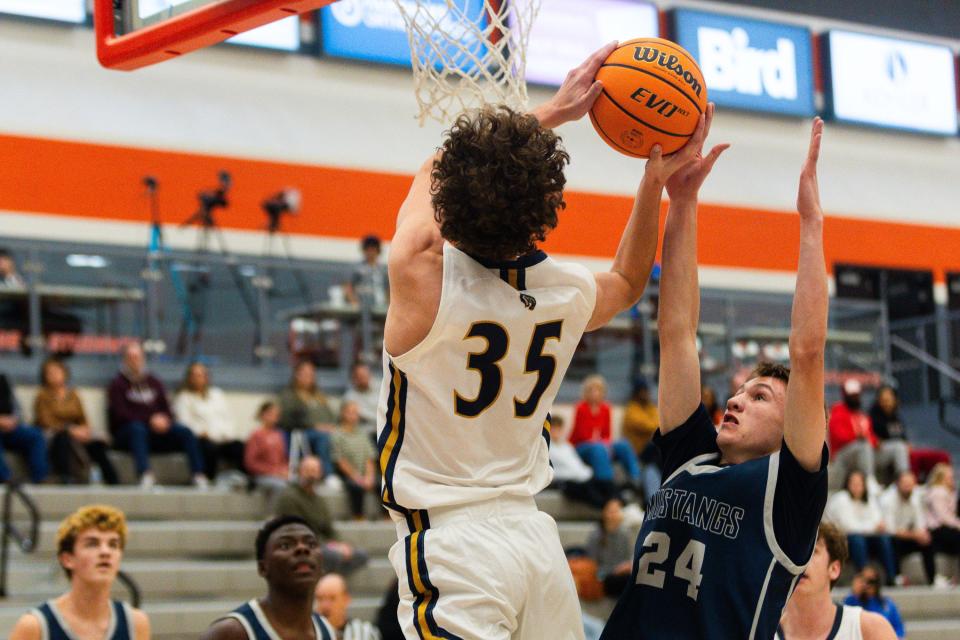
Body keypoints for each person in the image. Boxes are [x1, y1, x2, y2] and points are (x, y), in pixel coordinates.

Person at [379, 42, 703, 640]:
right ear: (546, 213)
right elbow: (630, 281)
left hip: (452, 546)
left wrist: (552, 111)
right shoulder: (566, 289)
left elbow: (433, 168)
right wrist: (652, 181)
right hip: (535, 542)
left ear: (450, 209)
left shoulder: (422, 273)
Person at [602, 118, 829, 639]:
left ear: (795, 423)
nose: (736, 399)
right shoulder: (691, 457)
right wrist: (682, 203)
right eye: (742, 389)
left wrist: (810, 223)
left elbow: (808, 351)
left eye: (760, 395)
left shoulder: (786, 493)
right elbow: (677, 331)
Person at [9, 504, 151, 640]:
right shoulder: (35, 626)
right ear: (67, 559)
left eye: (113, 544)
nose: (105, 552)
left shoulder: (136, 623)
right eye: (92, 544)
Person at [201, 515, 336, 640]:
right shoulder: (230, 632)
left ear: (322, 566)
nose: (302, 548)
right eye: (285, 545)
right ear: (263, 568)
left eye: (311, 544)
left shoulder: (328, 632)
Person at [107, 342, 206, 488]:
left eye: (138, 357)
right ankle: (145, 474)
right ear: (124, 360)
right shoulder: (117, 384)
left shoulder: (154, 382)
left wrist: (164, 420)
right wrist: (149, 420)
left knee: (185, 431)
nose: (135, 361)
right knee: (137, 428)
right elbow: (120, 415)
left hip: (156, 432)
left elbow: (167, 409)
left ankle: (198, 474)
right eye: (131, 357)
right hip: (128, 433)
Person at [776, 521, 897, 640]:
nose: (799, 561)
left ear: (834, 569)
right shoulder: (761, 631)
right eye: (791, 552)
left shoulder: (871, 629)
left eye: (812, 551)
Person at [274, 456, 369, 575]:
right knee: (333, 556)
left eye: (314, 470)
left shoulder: (318, 499)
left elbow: (329, 529)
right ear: (299, 471)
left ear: (320, 473)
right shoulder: (289, 497)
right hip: (299, 545)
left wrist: (342, 544)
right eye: (307, 470)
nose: (311, 474)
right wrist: (330, 545)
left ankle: (330, 583)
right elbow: (296, 532)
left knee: (361, 554)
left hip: (321, 544)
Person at [34, 357, 118, 484]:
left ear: (64, 373)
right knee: (63, 438)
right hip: (54, 434)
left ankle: (113, 481)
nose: (54, 376)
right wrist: (69, 429)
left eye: (57, 372)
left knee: (97, 445)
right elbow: (46, 421)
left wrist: (84, 430)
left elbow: (82, 418)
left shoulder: (73, 395)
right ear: (44, 377)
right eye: (50, 373)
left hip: (76, 433)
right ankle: (66, 477)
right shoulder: (42, 395)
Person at [174, 361, 245, 480]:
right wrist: (201, 433)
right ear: (189, 378)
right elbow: (184, 423)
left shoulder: (217, 394)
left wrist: (227, 434)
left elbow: (228, 418)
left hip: (223, 438)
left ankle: (242, 480)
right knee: (208, 448)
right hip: (202, 439)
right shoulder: (184, 397)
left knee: (240, 447)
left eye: (202, 375)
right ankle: (209, 480)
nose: (199, 379)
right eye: (195, 375)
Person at [825, 469, 897, 584]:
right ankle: (864, 577)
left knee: (884, 539)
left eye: (859, 484)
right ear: (847, 484)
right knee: (857, 540)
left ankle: (892, 577)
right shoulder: (841, 499)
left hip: (866, 537)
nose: (856, 487)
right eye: (853, 483)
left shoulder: (870, 500)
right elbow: (849, 527)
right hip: (844, 540)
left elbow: (879, 521)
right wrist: (872, 527)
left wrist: (872, 527)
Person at [571, 374, 641, 491]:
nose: (595, 393)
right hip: (581, 446)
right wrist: (602, 444)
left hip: (600, 444)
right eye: (592, 390)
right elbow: (582, 435)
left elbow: (607, 434)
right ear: (586, 392)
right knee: (598, 448)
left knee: (623, 444)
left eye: (598, 390)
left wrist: (605, 444)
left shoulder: (606, 408)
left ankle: (636, 479)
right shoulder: (581, 408)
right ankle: (607, 483)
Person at [278, 360, 335, 478]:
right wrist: (314, 426)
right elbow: (288, 418)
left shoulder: (318, 395)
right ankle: (328, 475)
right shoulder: (289, 395)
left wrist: (332, 426)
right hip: (303, 432)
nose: (308, 377)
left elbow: (330, 414)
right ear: (297, 375)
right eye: (305, 373)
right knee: (323, 438)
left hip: (326, 430)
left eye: (311, 374)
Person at [879, 470, 936, 585]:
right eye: (905, 485)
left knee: (928, 540)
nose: (908, 488)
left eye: (911, 485)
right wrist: (915, 535)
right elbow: (890, 529)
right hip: (890, 538)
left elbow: (920, 523)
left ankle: (933, 580)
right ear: (898, 484)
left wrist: (921, 534)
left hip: (908, 535)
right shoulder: (887, 499)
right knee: (891, 541)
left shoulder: (915, 497)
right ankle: (896, 578)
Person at [549, 415, 613, 509]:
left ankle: (616, 506)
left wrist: (588, 474)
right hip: (566, 481)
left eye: (559, 429)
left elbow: (577, 464)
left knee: (605, 483)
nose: (556, 432)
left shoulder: (567, 446)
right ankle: (608, 508)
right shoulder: (546, 448)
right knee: (587, 489)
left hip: (582, 477)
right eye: (554, 429)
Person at [0, 371, 48, 484]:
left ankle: (41, 478)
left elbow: (17, 407)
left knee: (35, 435)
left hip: (10, 428)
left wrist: (14, 420)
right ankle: (5, 478)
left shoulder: (2, 380)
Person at [332, 401, 377, 519]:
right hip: (347, 474)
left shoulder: (363, 434)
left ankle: (387, 517)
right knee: (355, 487)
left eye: (356, 413)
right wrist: (357, 477)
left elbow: (369, 457)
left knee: (382, 484)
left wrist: (369, 476)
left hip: (364, 472)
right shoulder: (337, 434)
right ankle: (358, 517)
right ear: (342, 414)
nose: (353, 416)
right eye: (350, 412)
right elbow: (340, 461)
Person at [621, 378, 661, 505]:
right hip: (637, 451)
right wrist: (655, 425)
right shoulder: (631, 409)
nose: (646, 394)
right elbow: (651, 425)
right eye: (643, 391)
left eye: (647, 391)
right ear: (637, 393)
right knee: (655, 446)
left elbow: (658, 423)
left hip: (651, 450)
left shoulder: (651, 407)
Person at [829, 379, 879, 483]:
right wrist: (857, 437)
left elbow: (871, 436)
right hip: (842, 454)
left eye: (856, 395)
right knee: (863, 446)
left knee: (897, 447)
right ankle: (870, 482)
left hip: (865, 451)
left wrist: (876, 442)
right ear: (845, 396)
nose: (854, 398)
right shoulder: (838, 411)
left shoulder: (862, 415)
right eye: (851, 395)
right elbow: (839, 436)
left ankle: (904, 480)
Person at [586, 497, 633, 598]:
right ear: (604, 513)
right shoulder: (596, 535)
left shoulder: (625, 534)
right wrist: (615, 570)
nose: (614, 515)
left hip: (621, 576)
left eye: (616, 511)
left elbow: (627, 560)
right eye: (611, 511)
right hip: (603, 578)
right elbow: (592, 565)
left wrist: (625, 567)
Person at [843, 565, 905, 638]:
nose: (867, 585)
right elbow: (844, 623)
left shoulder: (887, 604)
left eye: (871, 581)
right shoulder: (852, 601)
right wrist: (854, 592)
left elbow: (899, 629)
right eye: (864, 580)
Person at [315, 573, 381, 640]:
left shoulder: (365, 633)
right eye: (320, 598)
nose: (325, 605)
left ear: (346, 599)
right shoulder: (309, 634)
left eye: (332, 598)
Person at [923, 462, 960, 582]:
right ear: (941, 478)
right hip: (937, 529)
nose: (952, 479)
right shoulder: (937, 492)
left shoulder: (950, 492)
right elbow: (943, 517)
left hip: (947, 528)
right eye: (949, 477)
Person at [245, 401, 290, 493]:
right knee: (280, 486)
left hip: (279, 473)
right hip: (262, 475)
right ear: (263, 415)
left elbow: (284, 458)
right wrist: (273, 471)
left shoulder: (279, 435)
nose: (274, 417)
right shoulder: (256, 435)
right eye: (271, 414)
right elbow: (250, 463)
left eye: (277, 415)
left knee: (299, 482)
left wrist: (285, 469)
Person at [868, 386, 910, 482]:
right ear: (878, 401)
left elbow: (903, 438)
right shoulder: (872, 416)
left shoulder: (897, 418)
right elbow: (869, 436)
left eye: (889, 399)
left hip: (893, 451)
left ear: (895, 400)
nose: (886, 403)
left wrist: (907, 444)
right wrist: (876, 441)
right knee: (899, 447)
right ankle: (904, 480)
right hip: (876, 454)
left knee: (902, 447)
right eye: (883, 400)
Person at [344, 235, 388, 309]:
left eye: (373, 249)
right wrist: (354, 303)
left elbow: (388, 289)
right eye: (368, 249)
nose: (370, 252)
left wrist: (388, 305)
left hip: (380, 307)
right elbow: (348, 287)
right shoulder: (357, 268)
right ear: (364, 250)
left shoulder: (383, 270)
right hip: (361, 307)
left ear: (378, 251)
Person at [343, 362, 380, 433]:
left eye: (366, 374)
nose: (365, 378)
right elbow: (362, 416)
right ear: (354, 379)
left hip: (388, 426)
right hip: (368, 432)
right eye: (361, 376)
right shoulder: (350, 397)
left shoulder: (381, 386)